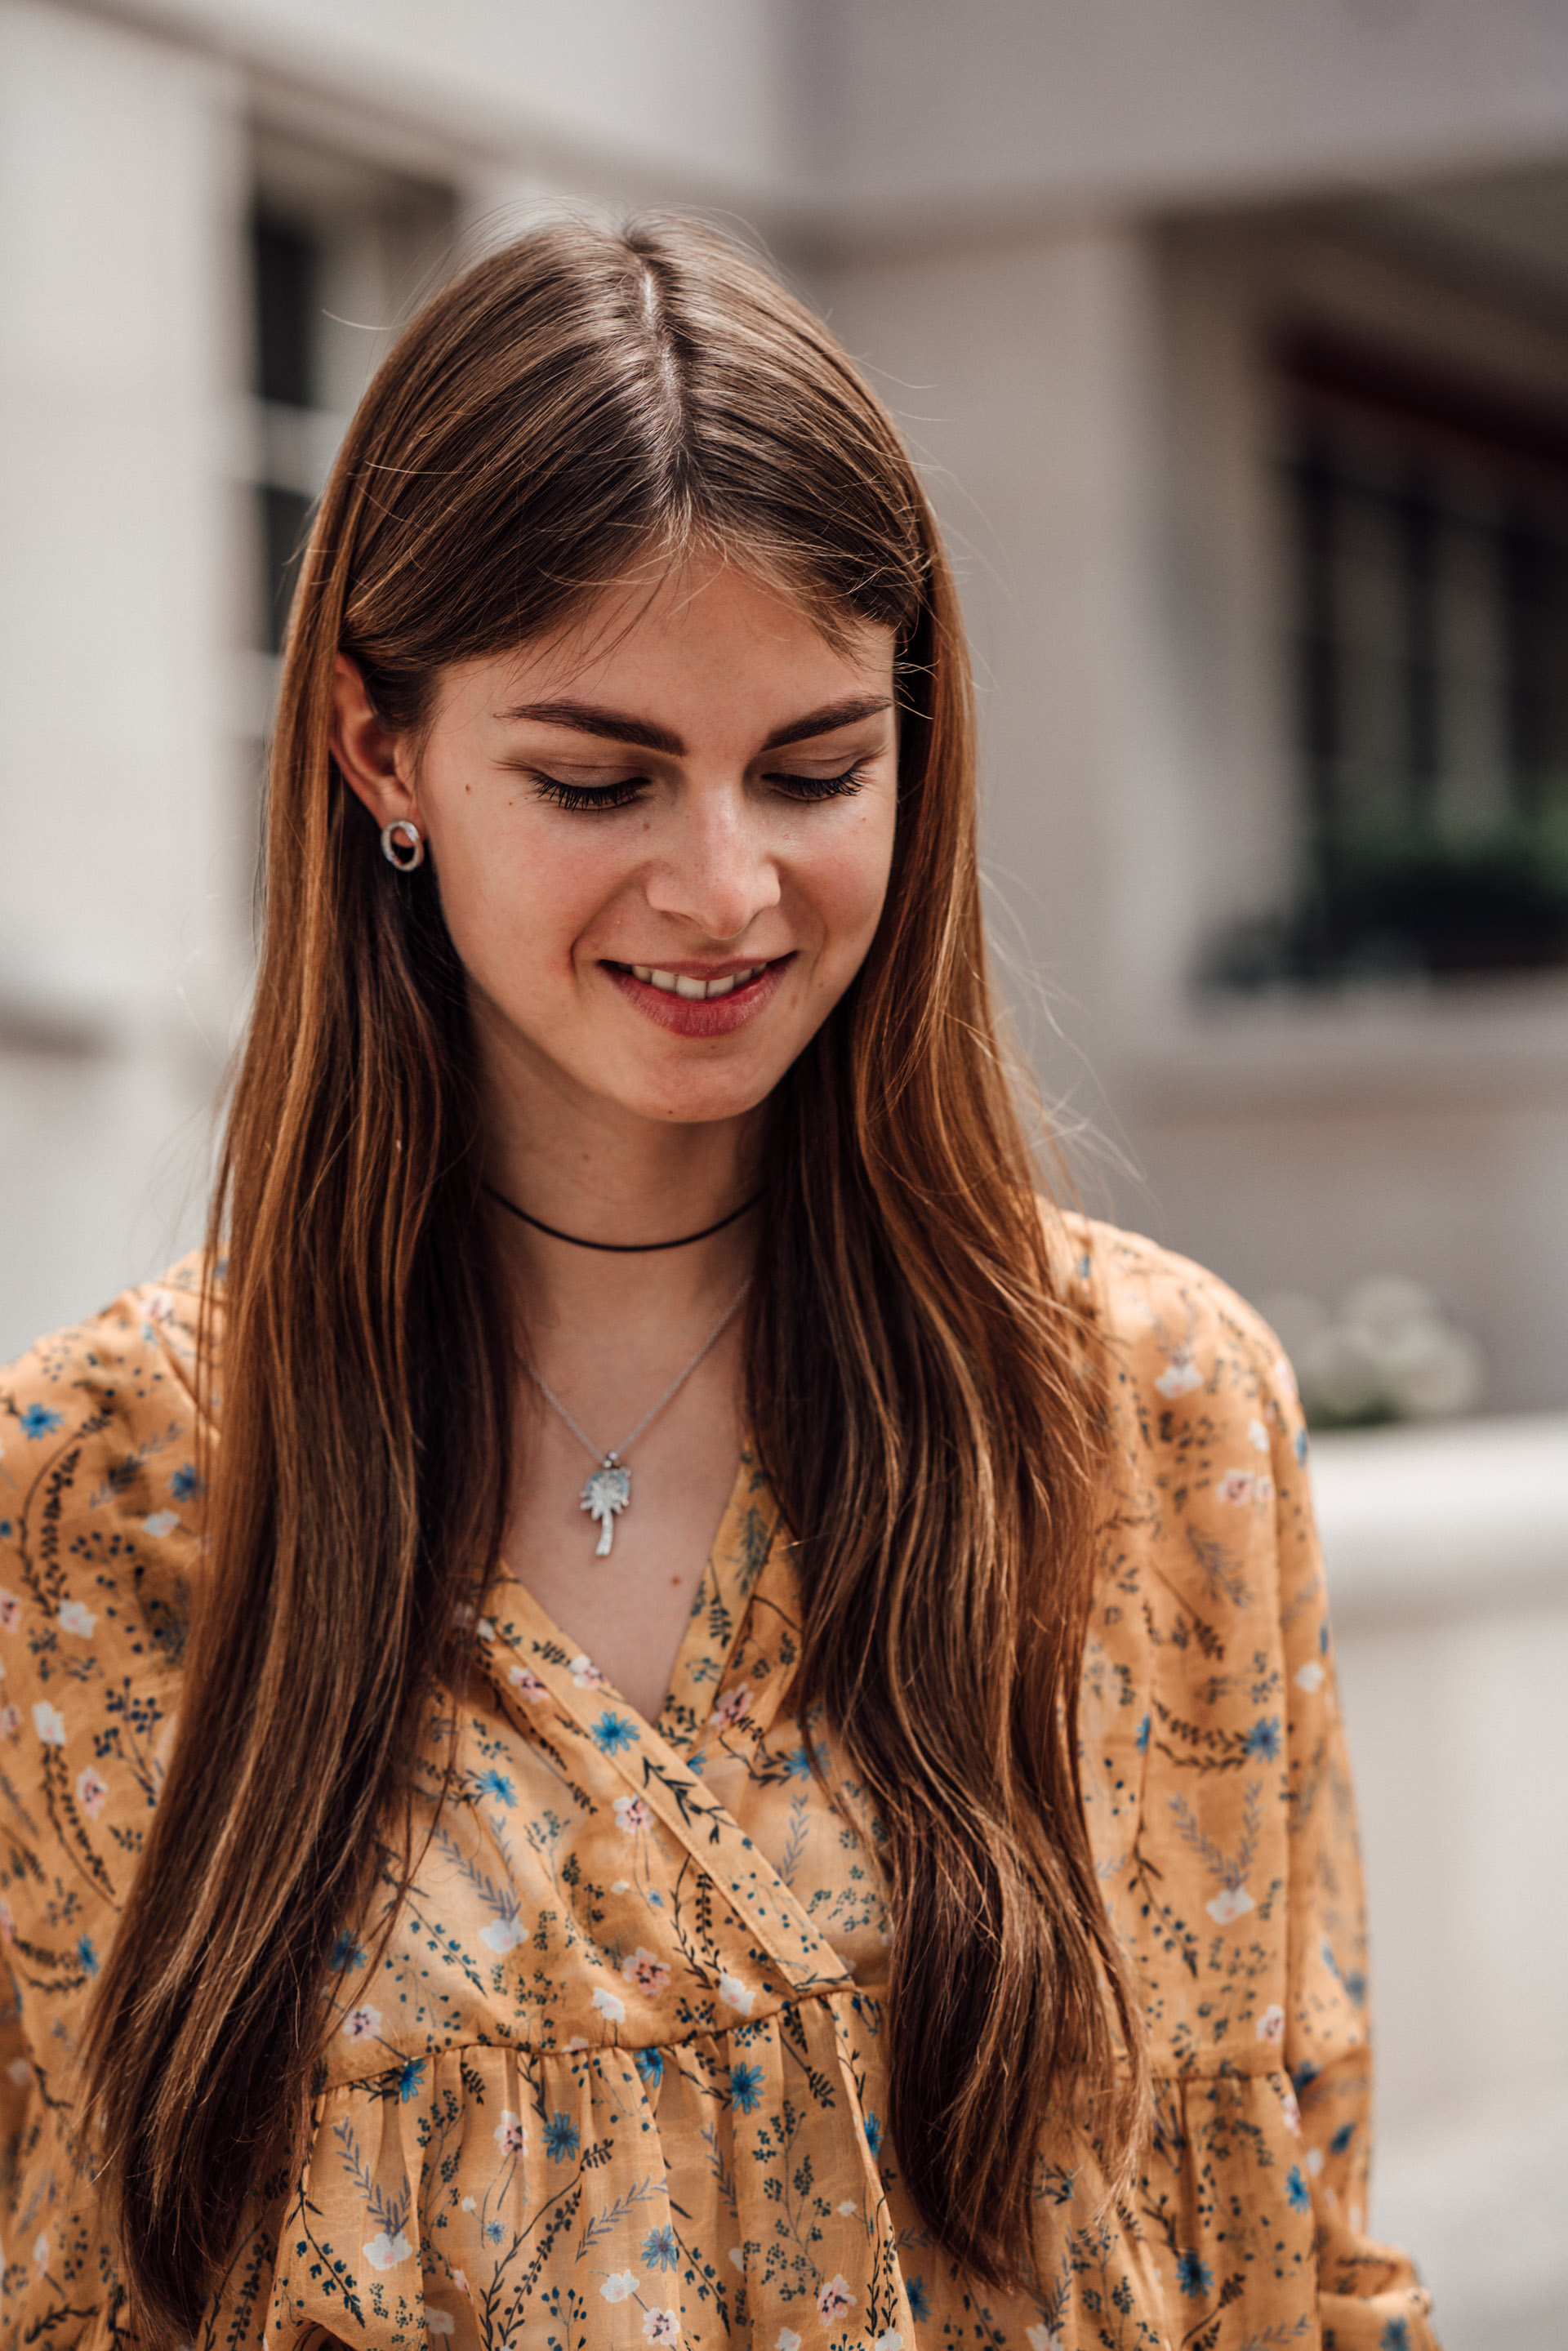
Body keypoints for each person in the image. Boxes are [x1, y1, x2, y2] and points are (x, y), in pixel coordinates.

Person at [0, 216, 1437, 2351]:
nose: (727, 888)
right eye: (597, 779)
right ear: (378, 755)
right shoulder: (104, 1485)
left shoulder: (1152, 1411)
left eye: (816, 766)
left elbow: (1293, 2249)